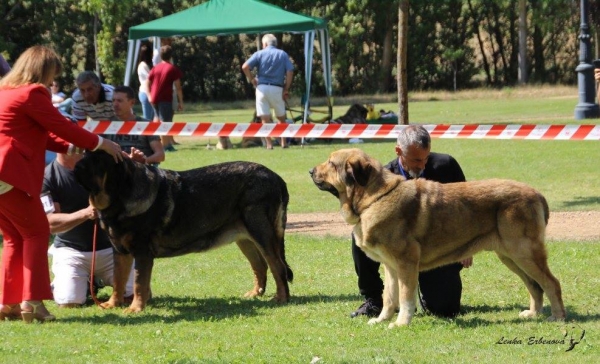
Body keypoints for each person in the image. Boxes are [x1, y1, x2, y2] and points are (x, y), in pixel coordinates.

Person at [0, 45, 122, 323]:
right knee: (36, 232)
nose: (52, 81)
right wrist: (101, 143)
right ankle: (32, 304)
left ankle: (7, 304)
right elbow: (61, 125)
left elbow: (40, 134)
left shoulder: (5, 92)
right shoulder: (32, 93)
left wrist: (72, 146)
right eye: (52, 74)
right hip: (10, 173)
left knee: (14, 238)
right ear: (42, 70)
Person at [350, 125, 473, 319]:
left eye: (426, 158)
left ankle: (424, 295)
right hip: (397, 250)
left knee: (445, 309)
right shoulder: (382, 177)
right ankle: (374, 299)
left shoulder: (446, 166)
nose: (422, 165)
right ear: (399, 151)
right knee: (360, 235)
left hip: (437, 251)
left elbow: (466, 207)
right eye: (416, 160)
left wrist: (467, 244)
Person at [43, 152, 135, 308]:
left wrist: (134, 169)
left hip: (110, 250)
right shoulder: (47, 177)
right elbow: (50, 223)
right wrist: (85, 213)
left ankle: (93, 281)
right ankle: (73, 283)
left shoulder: (101, 166)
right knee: (69, 302)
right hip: (71, 251)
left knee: (133, 295)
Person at [242, 34, 294, 149]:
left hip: (262, 88)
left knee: (264, 119)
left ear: (264, 44)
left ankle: (269, 144)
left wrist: (252, 79)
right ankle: (283, 143)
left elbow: (245, 66)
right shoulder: (282, 54)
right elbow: (290, 71)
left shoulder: (259, 54)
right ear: (275, 44)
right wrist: (286, 88)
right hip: (277, 88)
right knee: (281, 118)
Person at [106, 85, 165, 165]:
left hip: (141, 171)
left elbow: (160, 155)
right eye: (113, 100)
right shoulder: (106, 125)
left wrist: (143, 161)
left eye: (119, 101)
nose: (115, 104)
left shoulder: (146, 124)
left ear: (132, 102)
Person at [147, 44, 183, 152]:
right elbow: (178, 87)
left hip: (154, 98)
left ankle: (155, 143)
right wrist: (181, 101)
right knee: (165, 121)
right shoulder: (172, 68)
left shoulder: (155, 68)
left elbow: (147, 82)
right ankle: (165, 146)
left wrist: (149, 95)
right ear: (171, 56)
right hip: (164, 98)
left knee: (157, 120)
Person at [137, 43, 154, 120]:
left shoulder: (147, 65)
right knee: (147, 119)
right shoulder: (143, 65)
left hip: (149, 92)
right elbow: (150, 78)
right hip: (145, 92)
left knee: (152, 118)